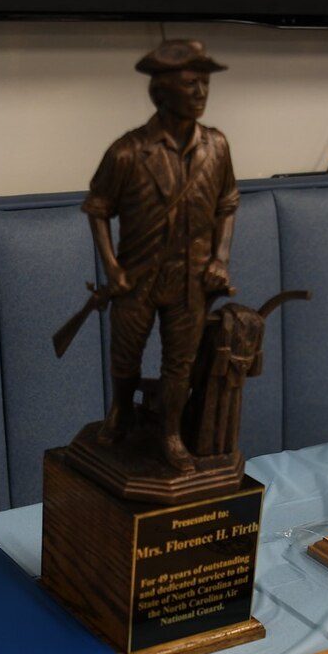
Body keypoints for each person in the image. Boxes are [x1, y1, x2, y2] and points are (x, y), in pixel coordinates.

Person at [82, 40, 240, 472]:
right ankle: (120, 409)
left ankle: (170, 433)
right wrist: (112, 268)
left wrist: (219, 259)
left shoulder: (217, 146)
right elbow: (97, 209)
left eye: (205, 83)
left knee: (180, 363)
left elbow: (227, 203)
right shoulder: (128, 151)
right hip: (139, 277)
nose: (201, 92)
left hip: (192, 280)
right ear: (161, 92)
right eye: (191, 83)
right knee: (126, 355)